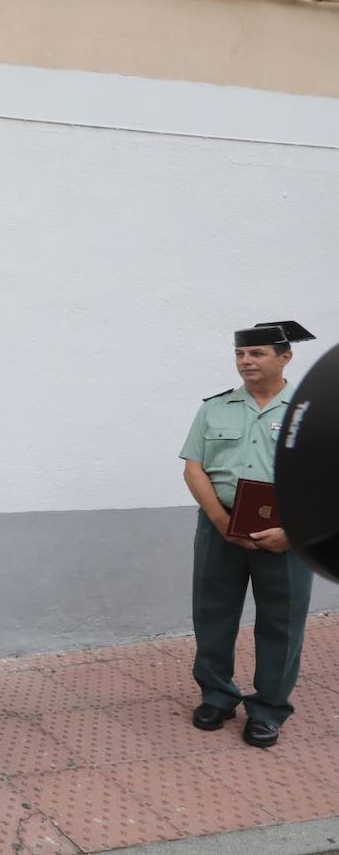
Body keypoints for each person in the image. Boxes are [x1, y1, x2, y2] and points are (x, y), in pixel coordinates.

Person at [180, 320, 317, 748]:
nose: (246, 361)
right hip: (220, 527)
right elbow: (194, 468)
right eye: (241, 354)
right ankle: (217, 696)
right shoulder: (214, 408)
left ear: (285, 357)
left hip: (288, 535)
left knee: (282, 621)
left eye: (257, 354)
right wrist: (222, 523)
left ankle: (269, 709)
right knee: (213, 615)